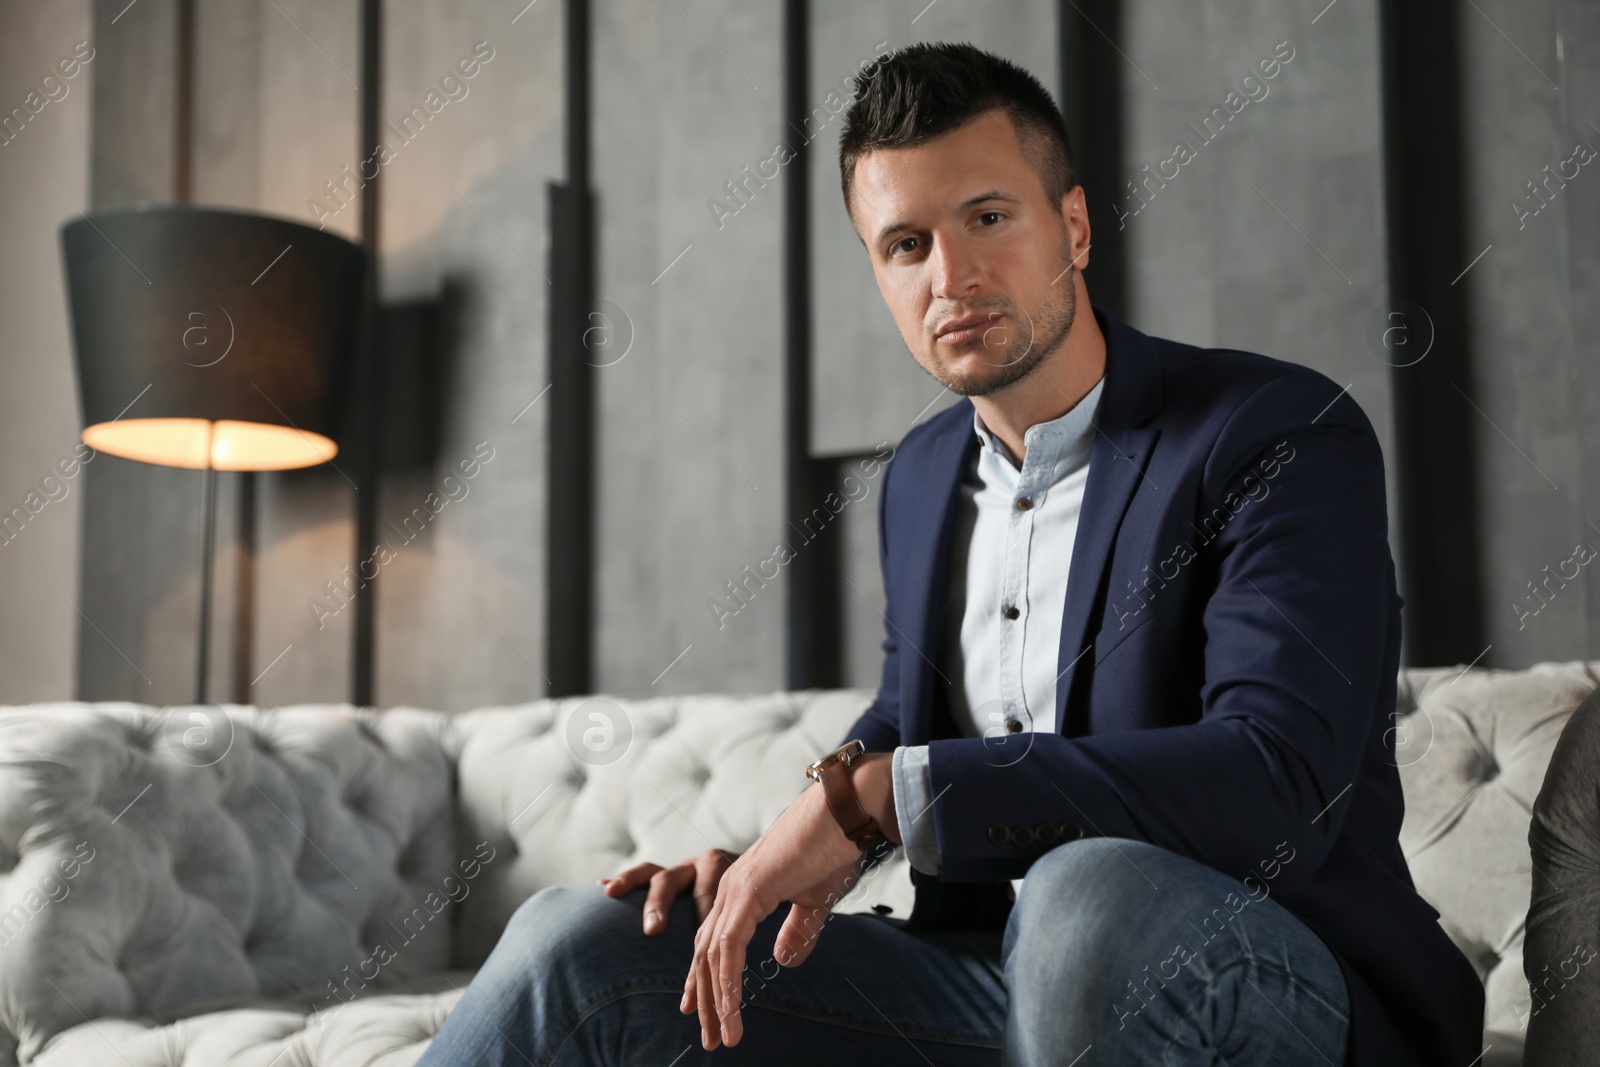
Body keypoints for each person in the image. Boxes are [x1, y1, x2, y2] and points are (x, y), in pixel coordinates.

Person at [417, 41, 1484, 1066]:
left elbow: (1276, 774)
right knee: (583, 942)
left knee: (1085, 895)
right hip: (994, 974)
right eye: (905, 243)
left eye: (986, 217)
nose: (951, 274)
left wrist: (885, 798)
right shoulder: (921, 475)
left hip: (1272, 980)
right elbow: (907, 719)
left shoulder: (1273, 429)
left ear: (1072, 226)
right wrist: (778, 848)